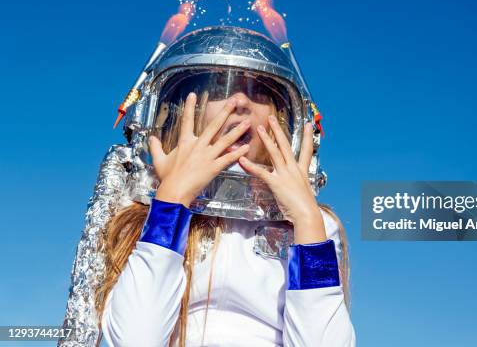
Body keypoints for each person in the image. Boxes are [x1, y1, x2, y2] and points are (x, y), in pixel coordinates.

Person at [64, 26, 355, 347]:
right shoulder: (139, 214)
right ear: (182, 109)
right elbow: (136, 338)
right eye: (219, 86)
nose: (241, 101)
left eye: (259, 90)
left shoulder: (314, 225)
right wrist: (172, 203)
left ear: (283, 121)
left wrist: (306, 220)